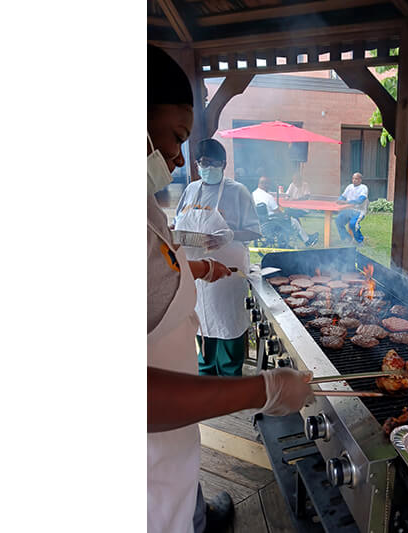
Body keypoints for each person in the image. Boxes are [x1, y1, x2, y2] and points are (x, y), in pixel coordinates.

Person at [147, 44, 313, 533]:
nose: (179, 160)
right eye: (176, 138)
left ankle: (200, 513)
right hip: (144, 466)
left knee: (183, 481)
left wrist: (194, 267)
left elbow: (156, 262)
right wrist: (259, 389)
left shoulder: (141, 203)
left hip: (171, 440)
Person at [174, 139, 261, 377]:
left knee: (228, 324)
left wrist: (230, 235)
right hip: (198, 273)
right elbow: (179, 221)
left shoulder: (238, 191)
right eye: (201, 162)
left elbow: (254, 231)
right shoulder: (191, 189)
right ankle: (207, 377)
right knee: (202, 324)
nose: (205, 167)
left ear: (223, 164)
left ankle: (230, 380)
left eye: (211, 162)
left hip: (227, 274)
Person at [253, 176, 319, 247]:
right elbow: (277, 211)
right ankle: (307, 240)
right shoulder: (268, 197)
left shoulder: (254, 194)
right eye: (268, 184)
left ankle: (305, 237)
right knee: (294, 221)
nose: (269, 186)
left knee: (289, 215)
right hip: (272, 219)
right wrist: (284, 214)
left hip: (261, 220)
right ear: (265, 184)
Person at [336, 172, 369, 244]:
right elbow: (343, 196)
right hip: (348, 210)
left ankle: (359, 241)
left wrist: (346, 202)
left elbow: (360, 200)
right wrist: (339, 200)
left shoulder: (363, 188)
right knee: (338, 221)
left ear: (360, 180)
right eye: (353, 178)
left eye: (356, 179)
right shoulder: (349, 186)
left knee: (353, 224)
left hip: (359, 211)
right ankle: (347, 238)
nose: (354, 180)